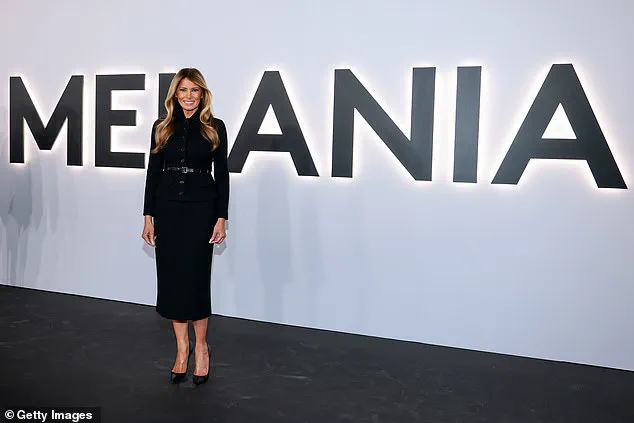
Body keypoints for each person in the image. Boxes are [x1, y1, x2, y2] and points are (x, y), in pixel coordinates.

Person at [141, 68, 229, 385]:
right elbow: (153, 172)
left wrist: (221, 217)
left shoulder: (214, 127)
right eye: (183, 90)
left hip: (201, 211)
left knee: (195, 280)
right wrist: (148, 216)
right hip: (167, 210)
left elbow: (223, 175)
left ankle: (201, 348)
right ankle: (182, 349)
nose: (188, 96)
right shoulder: (161, 127)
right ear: (174, 95)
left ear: (202, 94)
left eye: (194, 90)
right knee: (172, 281)